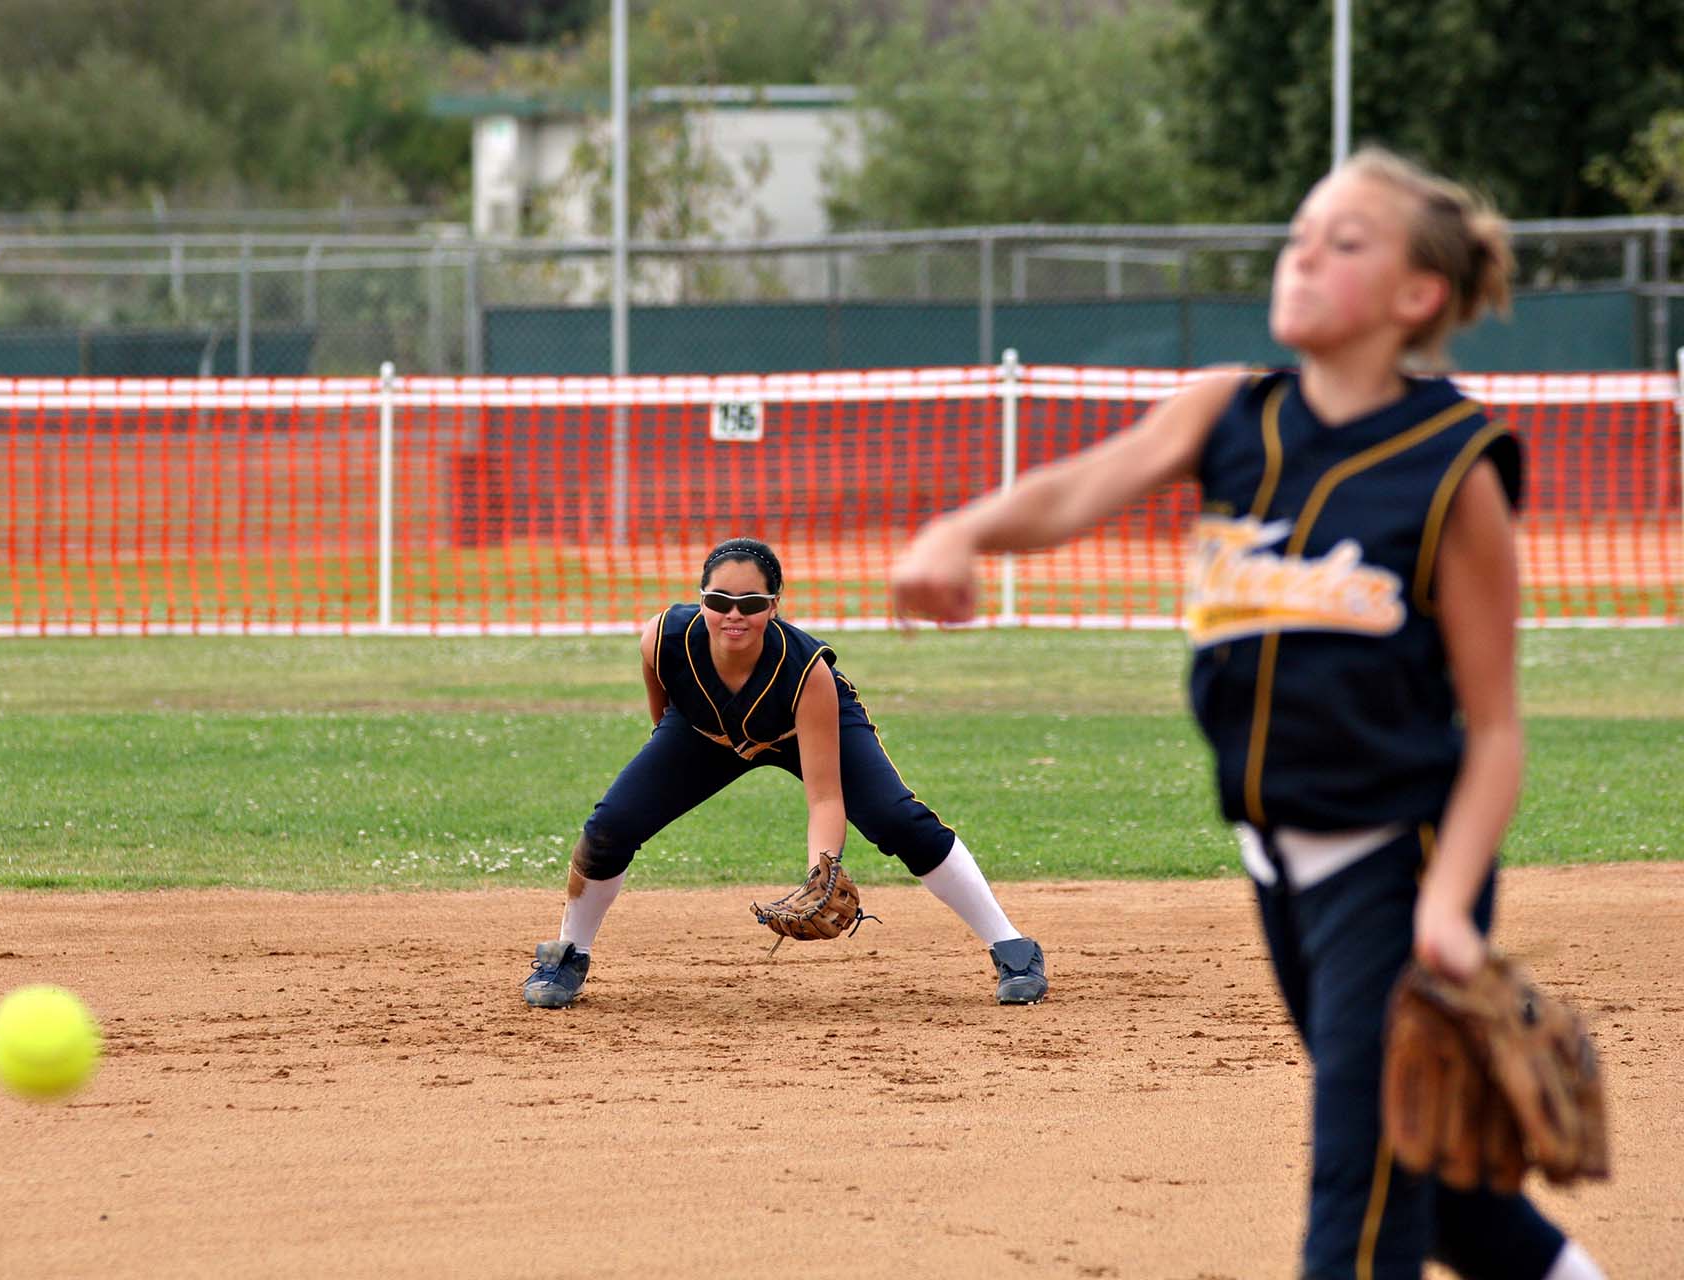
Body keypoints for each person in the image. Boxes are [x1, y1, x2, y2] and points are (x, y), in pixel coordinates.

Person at [890, 147, 1606, 1280]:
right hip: (1278, 866)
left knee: (1356, 1208)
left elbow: (1496, 727)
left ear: (1416, 296)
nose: (1305, 251)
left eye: (1346, 240)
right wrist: (959, 531)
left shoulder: (1452, 466)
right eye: (1301, 232)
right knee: (1446, 1194)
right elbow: (1078, 486)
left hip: (1397, 868)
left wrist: (1452, 907)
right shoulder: (1230, 410)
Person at [521, 536, 1049, 1010]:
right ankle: (569, 953)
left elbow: (824, 797)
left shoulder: (805, 670)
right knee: (612, 825)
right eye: (717, 601)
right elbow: (664, 717)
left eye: (750, 604)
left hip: (806, 729)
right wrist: (670, 769)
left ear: (774, 606)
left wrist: (821, 872)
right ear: (699, 598)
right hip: (705, 733)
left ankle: (1013, 947)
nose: (734, 614)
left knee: (897, 821)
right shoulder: (662, 638)